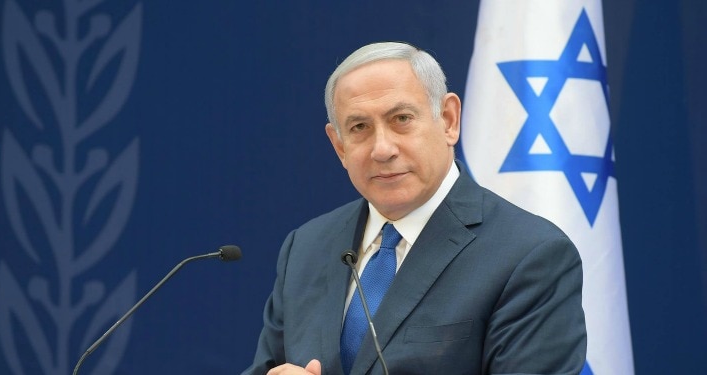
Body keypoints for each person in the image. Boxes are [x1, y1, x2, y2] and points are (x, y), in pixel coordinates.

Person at [243, 42, 586, 375]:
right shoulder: (305, 247)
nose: (382, 148)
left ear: (449, 120)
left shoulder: (529, 255)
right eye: (359, 127)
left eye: (401, 118)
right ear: (339, 146)